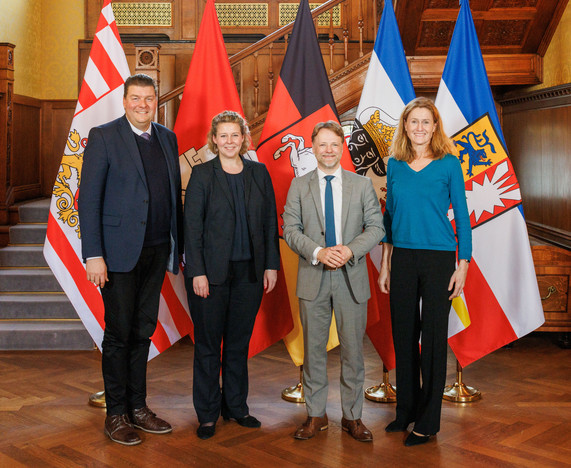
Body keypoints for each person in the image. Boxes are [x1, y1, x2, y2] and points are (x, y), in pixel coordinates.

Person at [78, 74, 183, 446]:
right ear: (124, 101)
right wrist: (93, 254)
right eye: (135, 98)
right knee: (119, 334)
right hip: (116, 256)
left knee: (143, 332)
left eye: (149, 98)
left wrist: (179, 247)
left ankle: (139, 408)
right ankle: (116, 413)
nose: (142, 104)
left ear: (157, 101)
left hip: (157, 251)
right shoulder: (104, 136)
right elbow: (87, 200)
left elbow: (173, 199)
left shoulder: (167, 139)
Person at [282, 120, 386, 442]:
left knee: (354, 353)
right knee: (313, 352)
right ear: (313, 148)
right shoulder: (300, 186)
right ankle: (316, 416)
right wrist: (317, 252)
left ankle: (352, 418)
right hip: (313, 276)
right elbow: (290, 230)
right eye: (322, 144)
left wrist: (349, 251)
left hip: (350, 277)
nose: (328, 150)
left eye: (334, 144)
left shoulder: (361, 185)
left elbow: (376, 227)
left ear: (342, 148)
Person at [377, 97, 472, 447]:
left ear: (435, 127)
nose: (419, 127)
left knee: (432, 339)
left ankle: (428, 421)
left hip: (439, 259)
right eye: (413, 121)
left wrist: (463, 266)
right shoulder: (395, 164)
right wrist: (386, 264)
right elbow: (388, 220)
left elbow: (462, 217)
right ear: (405, 126)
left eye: (425, 122)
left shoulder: (449, 164)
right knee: (403, 336)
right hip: (402, 257)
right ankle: (406, 411)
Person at [183, 111, 280, 440]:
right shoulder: (201, 175)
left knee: (238, 344)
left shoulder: (259, 173)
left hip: (250, 273)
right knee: (209, 345)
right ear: (214, 140)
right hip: (209, 275)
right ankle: (208, 413)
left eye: (234, 135)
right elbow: (191, 229)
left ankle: (236, 407)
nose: (228, 141)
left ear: (244, 139)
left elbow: (269, 223)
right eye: (222, 136)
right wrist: (196, 271)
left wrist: (270, 265)